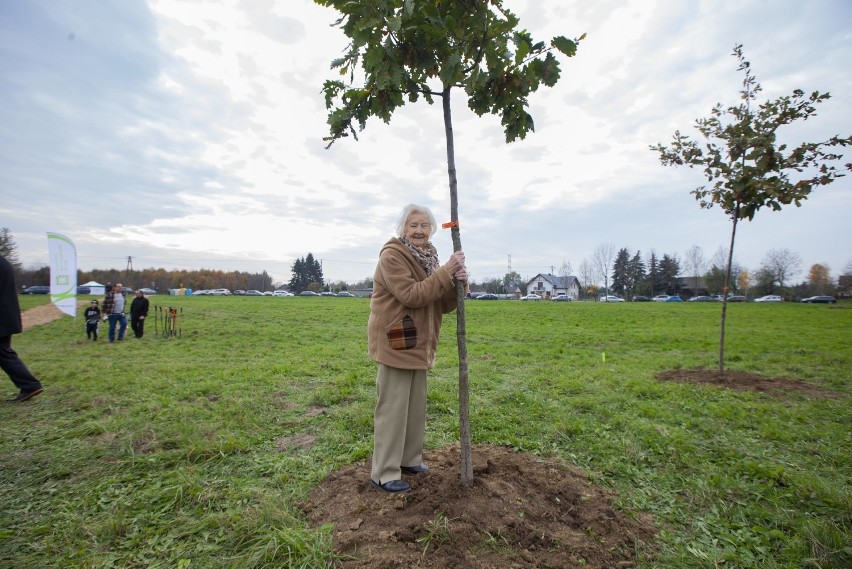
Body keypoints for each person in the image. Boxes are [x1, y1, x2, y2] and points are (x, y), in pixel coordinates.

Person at [368, 204, 468, 493]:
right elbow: (412, 296)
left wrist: (458, 281)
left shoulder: (429, 258)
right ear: (403, 229)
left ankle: (409, 459)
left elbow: (442, 303)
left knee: (414, 407)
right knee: (393, 408)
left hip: (420, 343)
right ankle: (384, 472)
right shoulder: (392, 256)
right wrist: (446, 271)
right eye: (413, 225)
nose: (419, 231)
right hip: (397, 340)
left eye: (425, 225)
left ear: (432, 229)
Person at [0, 255, 44, 402]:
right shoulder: (3, 261)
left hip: (2, 316)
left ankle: (30, 385)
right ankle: (29, 385)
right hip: (6, 314)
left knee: (3, 352)